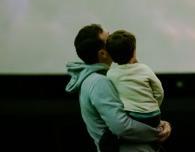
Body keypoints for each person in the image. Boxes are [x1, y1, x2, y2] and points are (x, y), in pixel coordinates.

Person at [65, 24, 171, 152]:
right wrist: (156, 131)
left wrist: (158, 124)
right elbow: (122, 126)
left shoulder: (97, 79)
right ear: (103, 53)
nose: (114, 40)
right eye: (109, 39)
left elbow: (128, 116)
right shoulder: (99, 82)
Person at [106, 29, 164, 151]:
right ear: (134, 52)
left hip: (133, 117)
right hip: (154, 116)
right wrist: (153, 106)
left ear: (112, 57)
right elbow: (159, 91)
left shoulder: (110, 74)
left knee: (108, 137)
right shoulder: (144, 68)